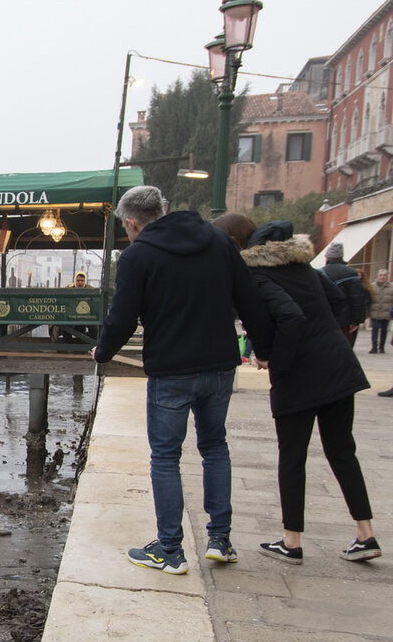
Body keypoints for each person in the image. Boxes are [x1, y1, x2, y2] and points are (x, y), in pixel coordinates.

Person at [93, 187, 273, 574]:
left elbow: (123, 316)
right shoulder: (218, 240)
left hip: (171, 369)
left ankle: (170, 551)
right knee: (214, 447)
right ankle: (220, 541)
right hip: (220, 364)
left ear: (131, 222)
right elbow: (249, 296)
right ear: (165, 209)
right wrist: (265, 347)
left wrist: (103, 351)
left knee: (165, 457)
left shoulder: (137, 255)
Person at [228, 219, 381, 563]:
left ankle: (292, 541)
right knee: (342, 451)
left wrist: (274, 360)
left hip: (299, 375)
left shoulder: (258, 275)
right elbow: (339, 300)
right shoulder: (306, 269)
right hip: (339, 366)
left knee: (292, 457)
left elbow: (291, 317)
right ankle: (366, 534)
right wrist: (322, 333)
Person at [321, 242, 369, 347]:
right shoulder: (351, 273)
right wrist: (356, 321)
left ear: (328, 256)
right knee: (345, 348)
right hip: (346, 320)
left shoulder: (321, 272)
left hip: (326, 319)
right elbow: (357, 299)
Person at [368, 268, 393, 353]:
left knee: (384, 331)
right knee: (375, 329)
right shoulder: (372, 286)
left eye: (384, 275)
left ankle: (382, 347)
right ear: (377, 276)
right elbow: (368, 299)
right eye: (380, 275)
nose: (382, 277)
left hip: (386, 312)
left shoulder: (392, 287)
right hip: (375, 312)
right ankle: (374, 347)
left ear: (387, 276)